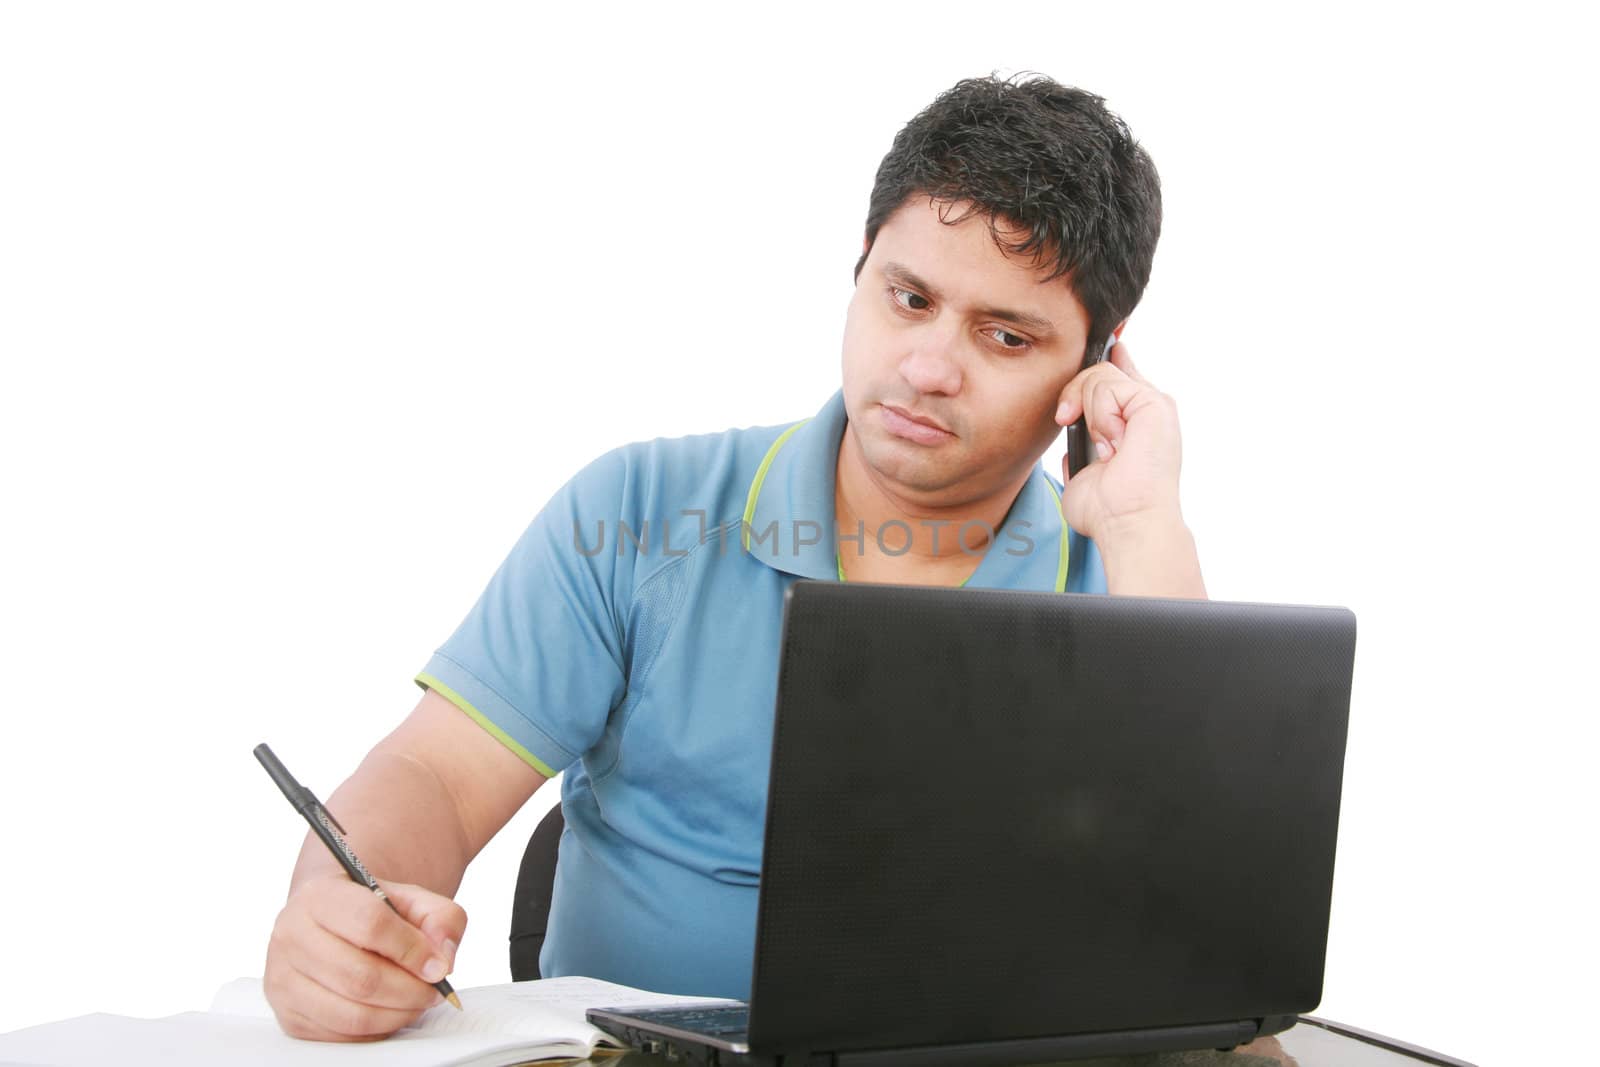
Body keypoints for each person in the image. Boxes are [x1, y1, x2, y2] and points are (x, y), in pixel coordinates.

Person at [262, 72, 1206, 1042]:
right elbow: (435, 773)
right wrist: (339, 913)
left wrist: (1143, 528)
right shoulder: (637, 510)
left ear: (1097, 358)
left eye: (1005, 336)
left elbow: (1198, 915)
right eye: (908, 297)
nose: (927, 367)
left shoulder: (1126, 575)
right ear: (859, 270)